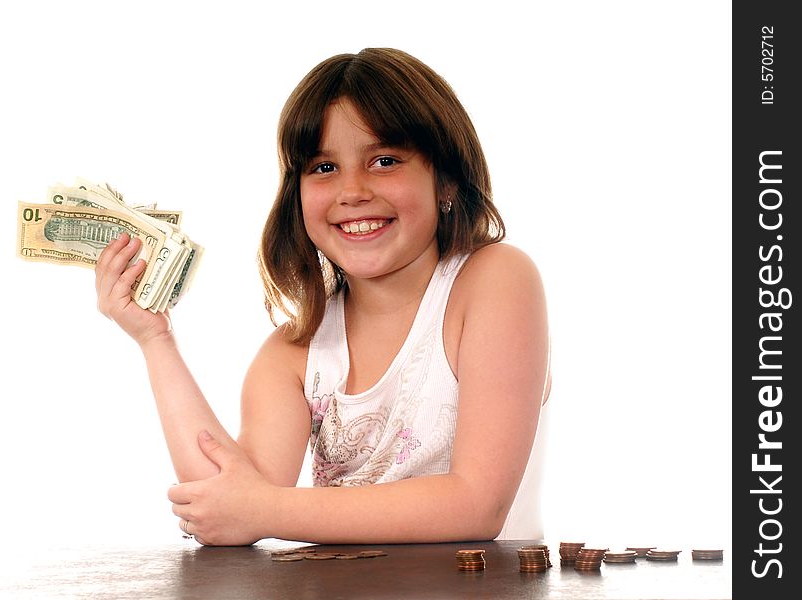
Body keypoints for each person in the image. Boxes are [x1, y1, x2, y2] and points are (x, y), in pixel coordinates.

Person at [95, 47, 551, 546]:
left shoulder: (495, 281)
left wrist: (263, 509)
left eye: (384, 160)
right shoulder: (293, 353)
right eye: (323, 167)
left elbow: (476, 505)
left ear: (445, 179)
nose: (351, 191)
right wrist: (154, 339)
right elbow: (223, 503)